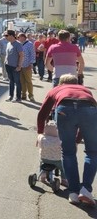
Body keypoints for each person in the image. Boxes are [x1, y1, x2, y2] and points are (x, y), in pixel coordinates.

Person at [36, 74, 97, 206]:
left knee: (68, 153)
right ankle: (86, 189)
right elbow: (85, 117)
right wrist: (77, 140)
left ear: (61, 83)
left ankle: (74, 192)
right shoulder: (85, 90)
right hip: (90, 110)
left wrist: (40, 133)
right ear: (77, 83)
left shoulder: (56, 89)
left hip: (65, 109)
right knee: (92, 152)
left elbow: (42, 114)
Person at [36, 119, 67, 187]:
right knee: (63, 168)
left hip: (44, 158)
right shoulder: (59, 140)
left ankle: (43, 175)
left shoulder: (42, 138)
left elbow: (38, 139)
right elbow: (64, 147)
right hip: (56, 160)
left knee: (41, 163)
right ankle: (64, 179)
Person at [4, 30, 23, 102]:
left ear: (11, 36)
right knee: (11, 81)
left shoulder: (18, 44)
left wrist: (19, 66)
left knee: (17, 82)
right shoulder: (9, 43)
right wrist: (5, 62)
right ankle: (10, 96)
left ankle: (18, 97)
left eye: (6, 35)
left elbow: (21, 55)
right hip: (8, 65)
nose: (5, 37)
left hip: (15, 66)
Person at [17, 33, 35, 101]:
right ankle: (23, 94)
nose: (18, 38)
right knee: (22, 81)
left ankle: (31, 95)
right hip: (20, 66)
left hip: (27, 65)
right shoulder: (18, 44)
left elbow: (33, 54)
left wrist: (31, 64)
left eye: (18, 37)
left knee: (28, 81)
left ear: (23, 37)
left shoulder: (29, 44)